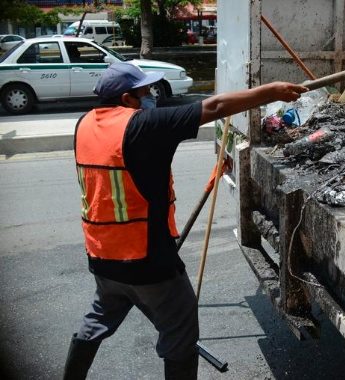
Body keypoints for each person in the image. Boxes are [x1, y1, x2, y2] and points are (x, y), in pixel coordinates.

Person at [63, 62, 307, 380]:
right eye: (144, 92)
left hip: (102, 256)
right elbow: (216, 106)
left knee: (97, 321)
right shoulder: (142, 126)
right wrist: (271, 92)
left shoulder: (84, 125)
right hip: (146, 262)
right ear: (126, 99)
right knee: (180, 334)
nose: (151, 96)